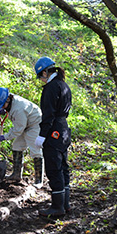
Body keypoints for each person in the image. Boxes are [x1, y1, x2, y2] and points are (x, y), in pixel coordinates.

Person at [34, 56, 72, 217]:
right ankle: (65, 204)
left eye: (40, 76)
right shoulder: (63, 85)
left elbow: (48, 115)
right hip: (63, 130)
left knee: (54, 168)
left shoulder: (51, 88)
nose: (41, 80)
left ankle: (57, 207)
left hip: (54, 131)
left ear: (44, 72)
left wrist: (43, 135)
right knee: (63, 167)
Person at [0, 87, 44, 188]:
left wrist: (5, 137)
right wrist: (5, 109)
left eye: (3, 105)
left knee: (35, 150)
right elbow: (19, 126)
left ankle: (39, 180)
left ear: (8, 99)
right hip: (25, 123)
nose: (2, 107)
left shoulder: (18, 109)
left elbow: (18, 130)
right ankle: (16, 175)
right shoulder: (11, 101)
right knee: (17, 146)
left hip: (35, 124)